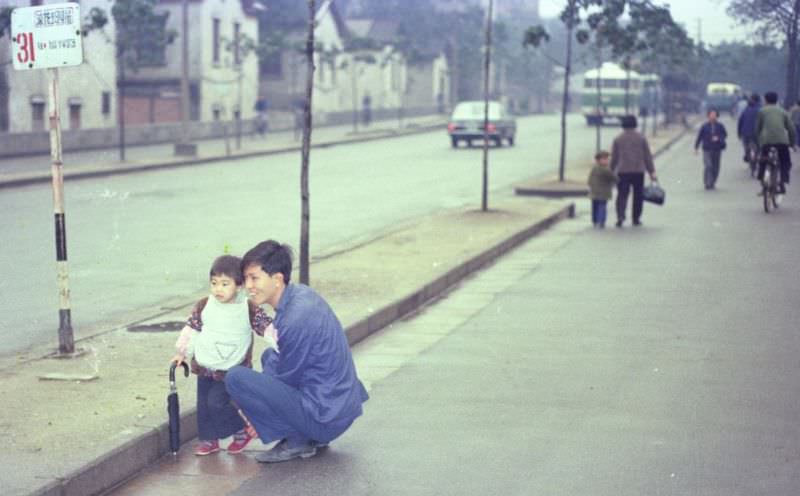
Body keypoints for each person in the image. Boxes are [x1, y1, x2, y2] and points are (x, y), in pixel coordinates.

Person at [225, 241, 369, 463]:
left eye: (254, 278)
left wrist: (252, 410)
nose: (248, 286)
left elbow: (286, 380)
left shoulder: (295, 318)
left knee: (236, 378)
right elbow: (281, 360)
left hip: (327, 419)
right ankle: (306, 435)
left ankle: (297, 440)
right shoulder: (301, 295)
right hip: (338, 408)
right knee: (268, 357)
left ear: (277, 278)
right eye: (245, 279)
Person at [172, 255, 273, 456]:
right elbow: (191, 329)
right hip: (205, 364)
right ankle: (210, 440)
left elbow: (267, 328)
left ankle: (242, 430)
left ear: (239, 285)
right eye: (214, 283)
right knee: (204, 406)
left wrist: (284, 344)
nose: (218, 289)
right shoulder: (204, 305)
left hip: (231, 369)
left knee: (217, 403)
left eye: (225, 284)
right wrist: (182, 353)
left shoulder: (248, 308)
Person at [610, 115, 657, 227]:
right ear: (635, 124)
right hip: (638, 171)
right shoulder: (641, 138)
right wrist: (652, 171)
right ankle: (636, 218)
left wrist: (610, 171)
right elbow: (647, 156)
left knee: (622, 195)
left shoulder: (618, 138)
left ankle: (620, 216)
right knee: (638, 195)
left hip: (623, 171)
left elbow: (614, 158)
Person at [756, 91, 797, 194]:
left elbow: (757, 129)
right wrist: (792, 144)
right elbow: (791, 129)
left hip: (766, 142)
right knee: (785, 162)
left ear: (765, 100)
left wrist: (759, 143)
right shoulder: (783, 112)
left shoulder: (761, 111)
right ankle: (783, 181)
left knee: (763, 161)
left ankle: (762, 181)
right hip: (782, 142)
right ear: (777, 100)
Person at [694, 109, 728, 190]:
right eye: (711, 114)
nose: (713, 116)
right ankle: (707, 182)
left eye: (714, 115)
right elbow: (699, 137)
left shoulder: (720, 126)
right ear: (708, 116)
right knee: (708, 166)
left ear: (717, 116)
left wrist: (718, 138)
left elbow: (724, 135)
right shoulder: (704, 126)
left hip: (717, 149)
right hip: (707, 149)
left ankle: (713, 182)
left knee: (716, 167)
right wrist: (696, 147)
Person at [587, 150, 617, 228]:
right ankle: (601, 221)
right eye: (604, 159)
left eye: (607, 159)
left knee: (595, 206)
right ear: (598, 160)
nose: (606, 161)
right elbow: (613, 177)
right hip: (603, 192)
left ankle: (595, 220)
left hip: (594, 191)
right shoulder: (606, 169)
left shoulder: (594, 168)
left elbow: (589, 179)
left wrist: (591, 186)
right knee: (602, 206)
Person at [738, 93, 761, 166]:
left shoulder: (746, 110)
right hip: (757, 133)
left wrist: (739, 133)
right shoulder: (761, 109)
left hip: (746, 133)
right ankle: (757, 156)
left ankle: (747, 154)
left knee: (746, 145)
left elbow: (740, 122)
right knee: (759, 146)